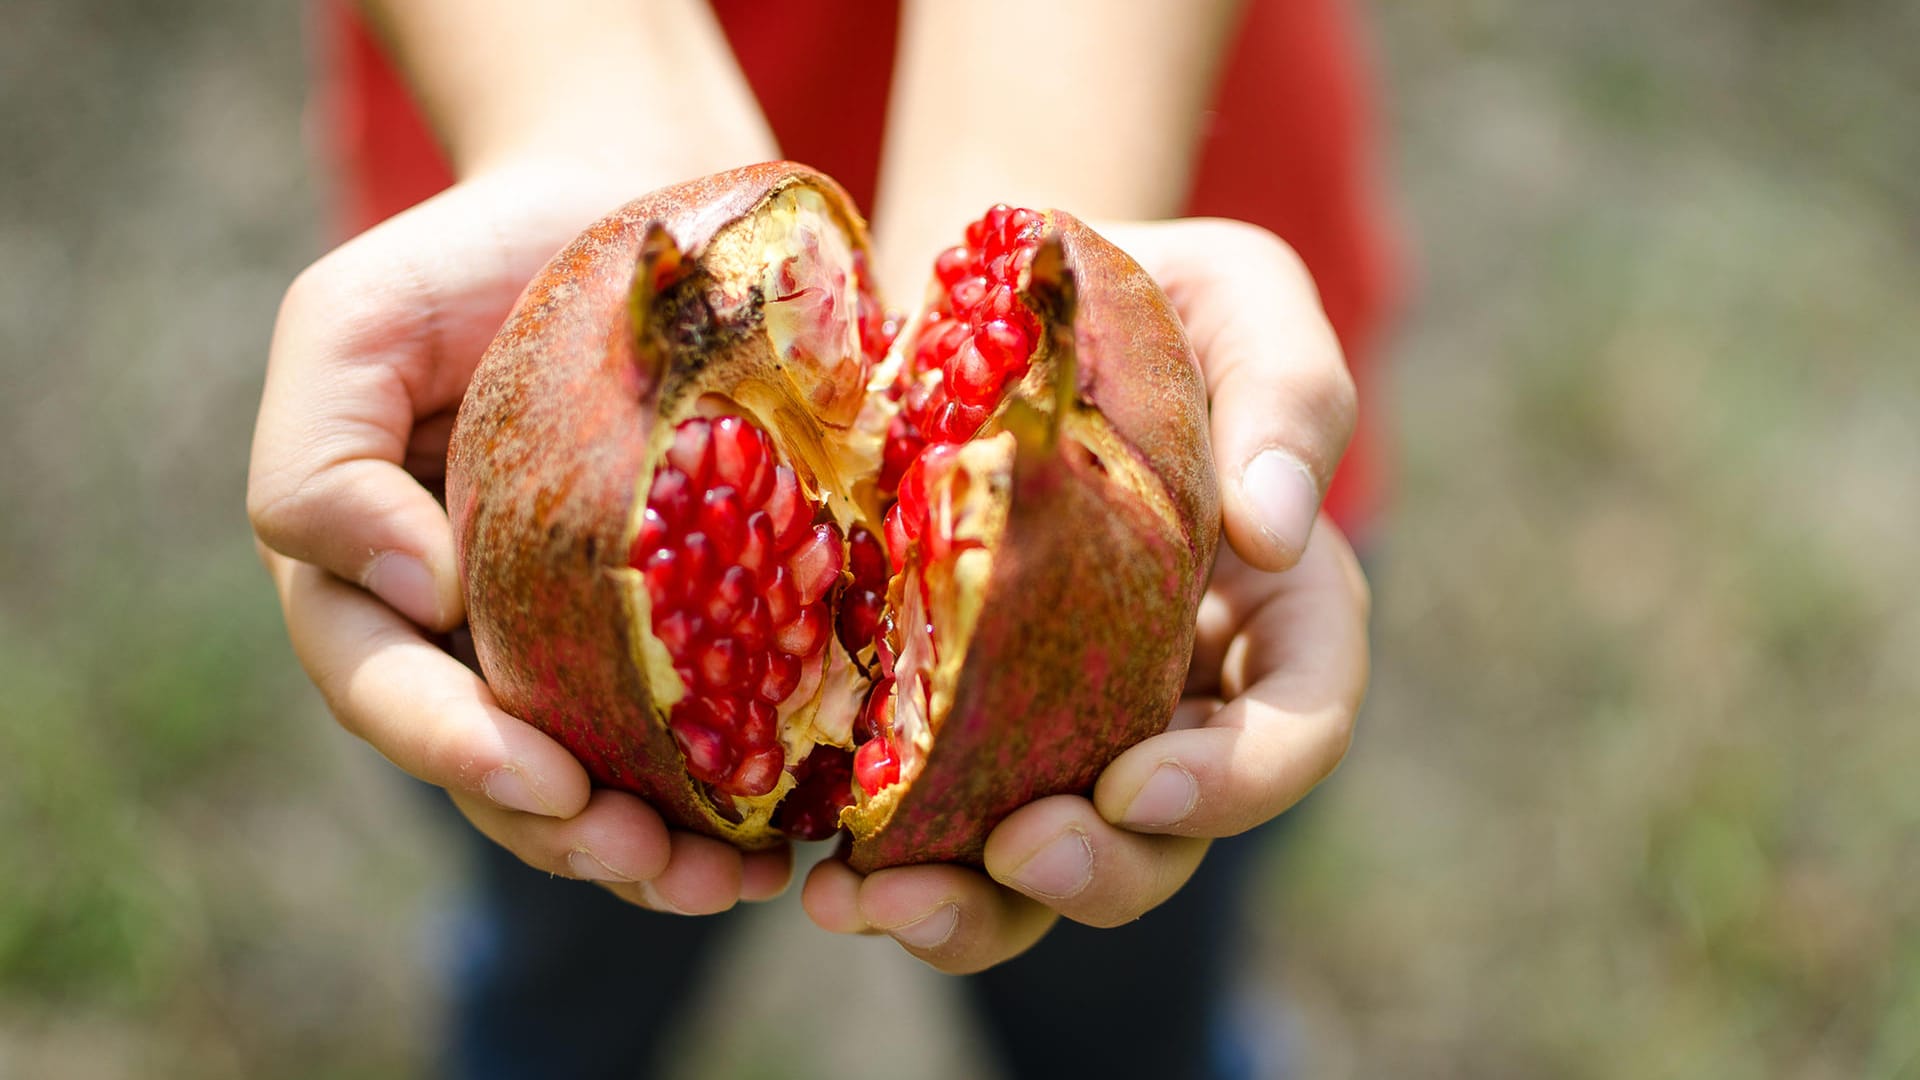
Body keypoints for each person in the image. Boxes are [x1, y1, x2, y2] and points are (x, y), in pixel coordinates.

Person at [249, 1, 1392, 1075]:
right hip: (518, 95)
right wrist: (587, 125)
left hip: (1127, 94)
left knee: (1130, 1002)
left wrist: (1068, 182)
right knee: (559, 943)